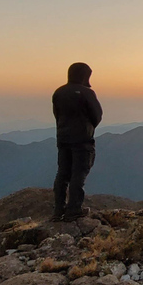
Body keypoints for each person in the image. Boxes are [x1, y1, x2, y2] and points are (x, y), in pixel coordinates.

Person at [52, 62, 103, 222]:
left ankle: (58, 210)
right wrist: (87, 127)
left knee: (63, 174)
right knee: (78, 174)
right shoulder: (87, 93)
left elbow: (57, 115)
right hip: (82, 140)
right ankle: (74, 210)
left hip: (63, 138)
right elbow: (97, 115)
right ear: (84, 76)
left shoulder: (59, 93)